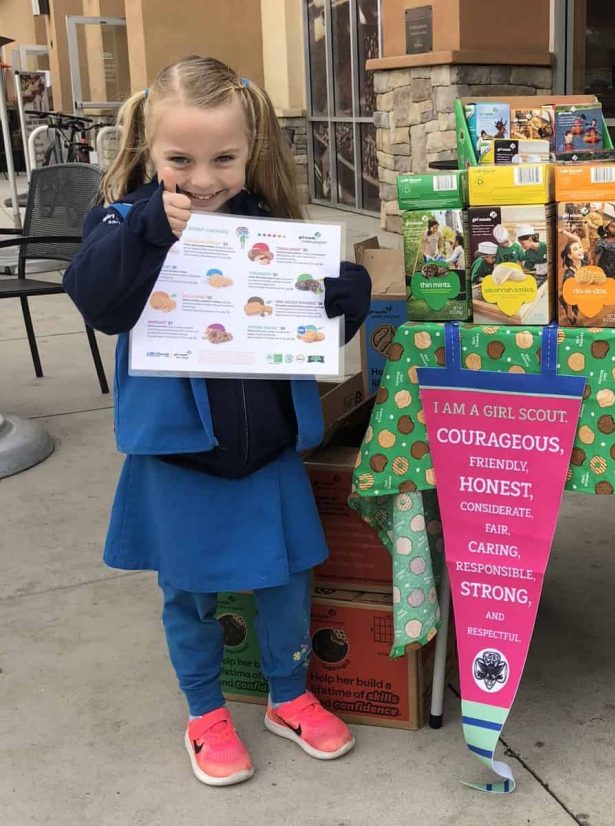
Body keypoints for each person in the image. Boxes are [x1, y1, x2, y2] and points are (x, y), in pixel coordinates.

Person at [62, 56, 371, 788]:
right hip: (180, 456)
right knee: (190, 593)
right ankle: (204, 709)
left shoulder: (264, 221)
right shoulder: (118, 220)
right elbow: (98, 301)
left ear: (251, 150)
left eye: (224, 158)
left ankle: (288, 695)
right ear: (146, 149)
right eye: (180, 159)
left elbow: (313, 328)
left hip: (264, 449)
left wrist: (342, 296)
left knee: (289, 581)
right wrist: (142, 230)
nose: (203, 179)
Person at [591, 206, 615, 281]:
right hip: (603, 273)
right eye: (612, 227)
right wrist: (595, 274)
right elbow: (596, 259)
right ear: (607, 230)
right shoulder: (601, 242)